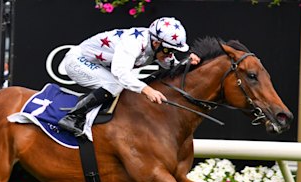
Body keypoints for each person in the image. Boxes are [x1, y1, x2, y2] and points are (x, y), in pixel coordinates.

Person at [58, 17, 201, 137]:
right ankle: (73, 117)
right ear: (156, 43)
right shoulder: (133, 43)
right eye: (168, 50)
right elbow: (120, 72)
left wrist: (189, 62)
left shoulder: (156, 45)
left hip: (99, 65)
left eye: (174, 51)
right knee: (115, 85)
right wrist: (147, 90)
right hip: (77, 61)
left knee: (120, 86)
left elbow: (173, 68)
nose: (170, 54)